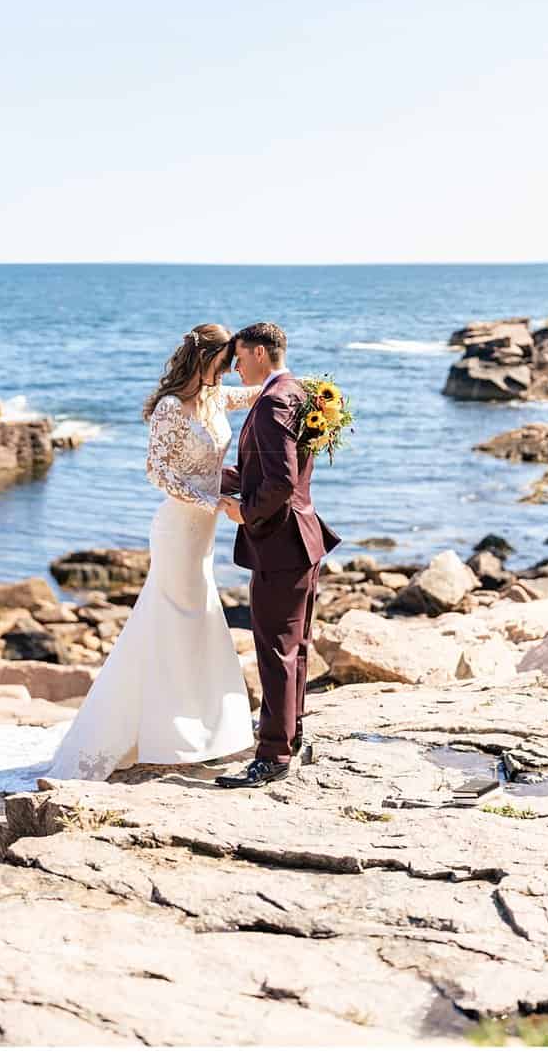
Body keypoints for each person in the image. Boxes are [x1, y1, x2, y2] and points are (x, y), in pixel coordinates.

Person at [43, 324, 258, 781]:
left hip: (204, 533)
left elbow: (262, 393)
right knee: (177, 619)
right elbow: (156, 473)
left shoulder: (217, 398)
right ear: (206, 359)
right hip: (179, 527)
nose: (230, 370)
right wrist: (213, 502)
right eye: (225, 361)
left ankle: (194, 730)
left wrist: (312, 391)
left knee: (196, 620)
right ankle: (167, 735)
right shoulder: (169, 408)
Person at [212, 321, 340, 789]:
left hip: (281, 544)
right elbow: (274, 468)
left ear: (262, 353)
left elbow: (281, 482)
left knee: (274, 651)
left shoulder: (270, 402)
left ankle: (273, 756)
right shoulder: (303, 392)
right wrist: (219, 475)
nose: (235, 366)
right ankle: (292, 736)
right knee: (296, 648)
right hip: (302, 539)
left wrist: (245, 512)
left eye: (240, 357)